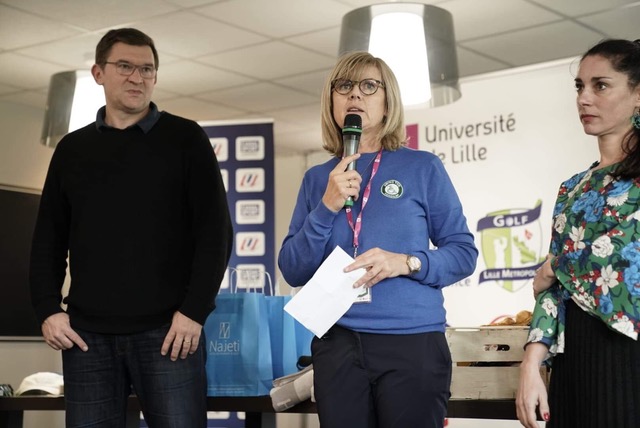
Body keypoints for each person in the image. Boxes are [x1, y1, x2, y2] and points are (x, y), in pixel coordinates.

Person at [29, 28, 233, 427]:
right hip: (86, 337)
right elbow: (47, 241)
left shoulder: (186, 139)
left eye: (147, 69)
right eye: (125, 66)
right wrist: (48, 309)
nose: (137, 78)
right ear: (98, 73)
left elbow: (216, 234)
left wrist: (193, 312)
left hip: (170, 333)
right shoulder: (72, 150)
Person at [278, 51, 478, 428]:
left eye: (369, 86)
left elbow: (463, 253)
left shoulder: (422, 167)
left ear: (388, 103)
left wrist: (407, 262)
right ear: (331, 101)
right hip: (338, 345)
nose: (355, 94)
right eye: (344, 86)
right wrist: (326, 207)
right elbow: (292, 268)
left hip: (411, 342)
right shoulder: (317, 179)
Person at [516, 39, 640, 428]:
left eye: (600, 85)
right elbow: (552, 291)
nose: (584, 98)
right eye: (579, 86)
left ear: (638, 94)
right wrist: (532, 362)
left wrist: (558, 266)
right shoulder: (572, 189)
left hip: (628, 350)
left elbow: (621, 259)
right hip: (574, 358)